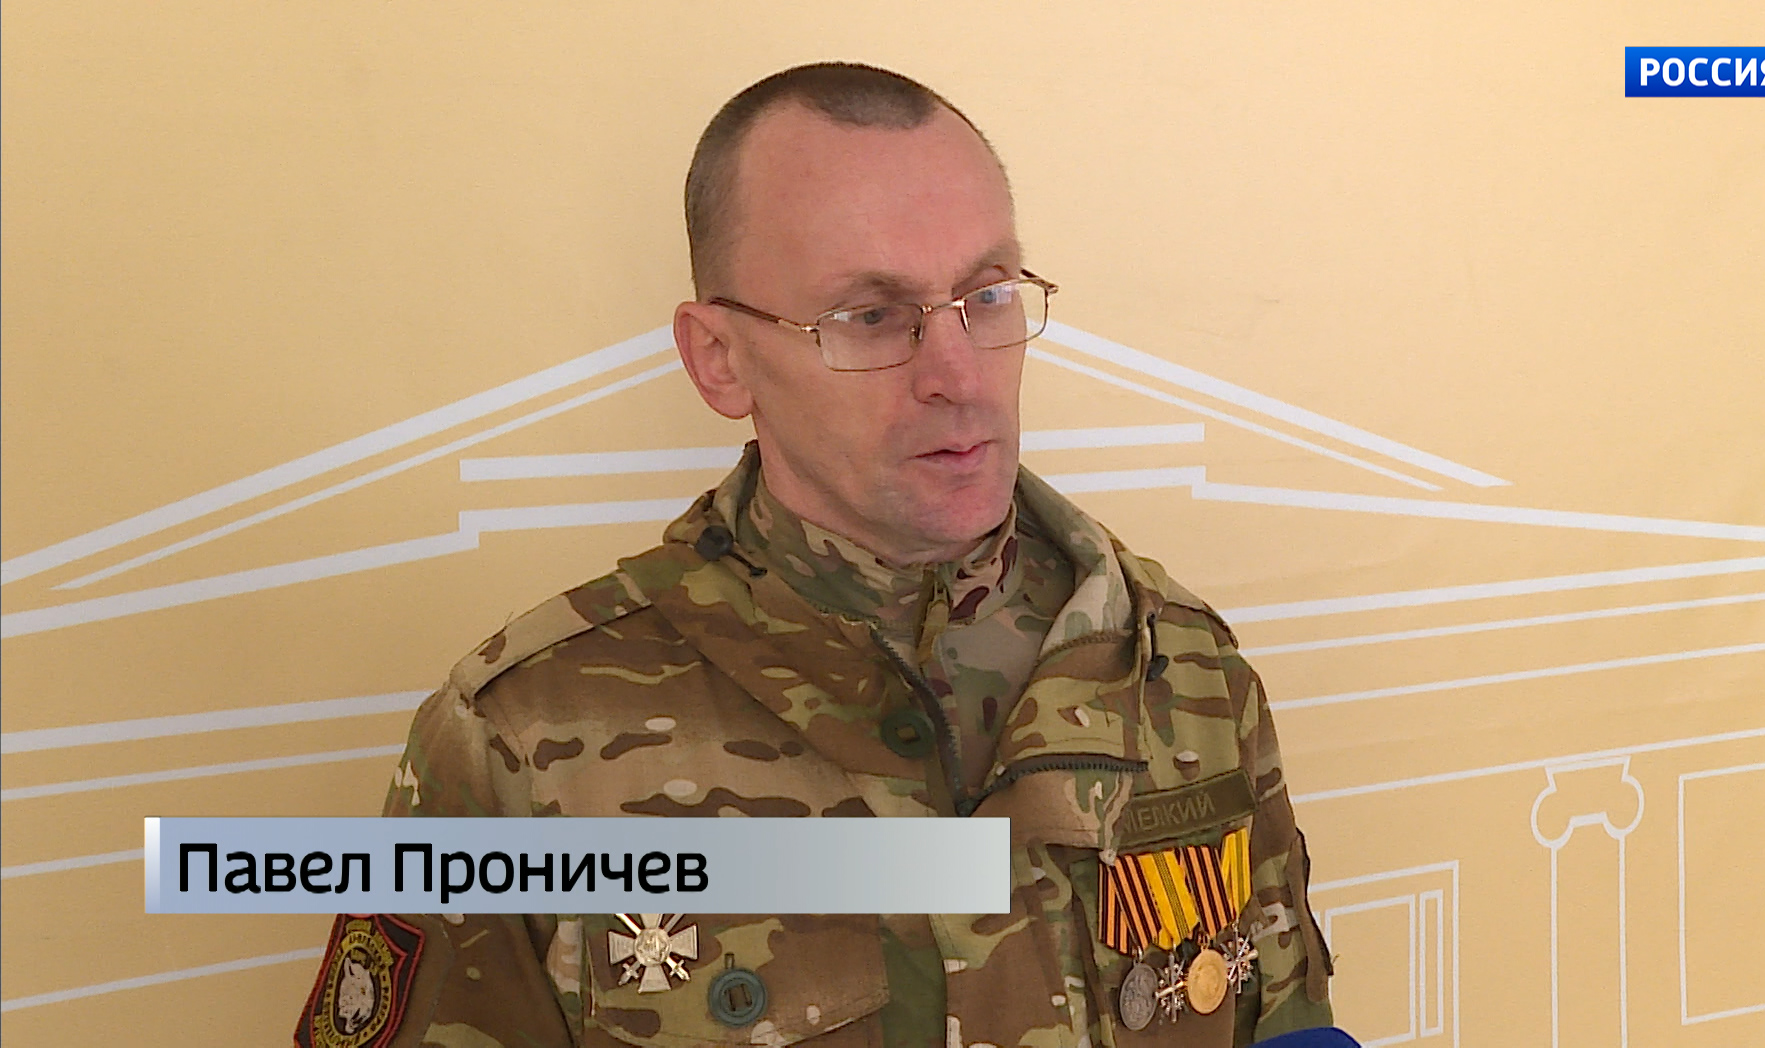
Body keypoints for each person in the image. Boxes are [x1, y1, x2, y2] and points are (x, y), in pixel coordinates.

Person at [295, 61, 1333, 1048]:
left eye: (987, 296)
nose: (957, 372)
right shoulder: (522, 744)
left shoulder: (1184, 669)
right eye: (870, 317)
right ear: (720, 358)